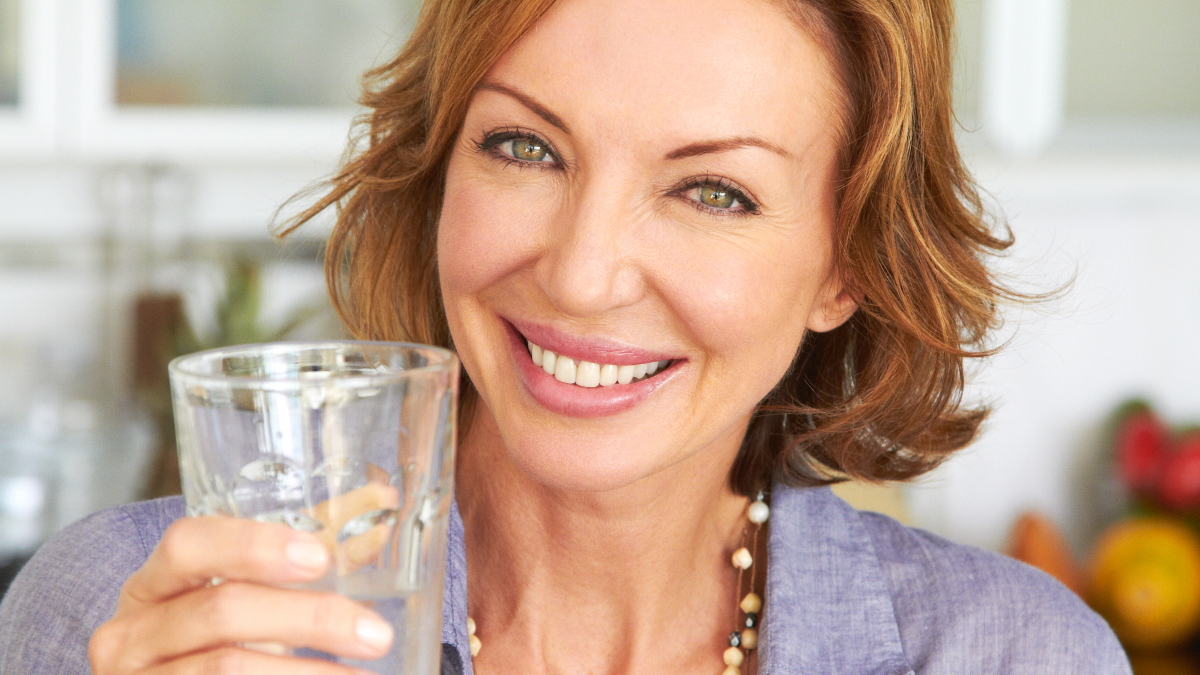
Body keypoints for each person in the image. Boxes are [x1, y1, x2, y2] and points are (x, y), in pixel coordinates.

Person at [0, 0, 1132, 673]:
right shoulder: (121, 612)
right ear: (438, 166)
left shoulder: (1012, 655)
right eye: (525, 149)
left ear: (844, 265)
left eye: (714, 192)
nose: (582, 274)